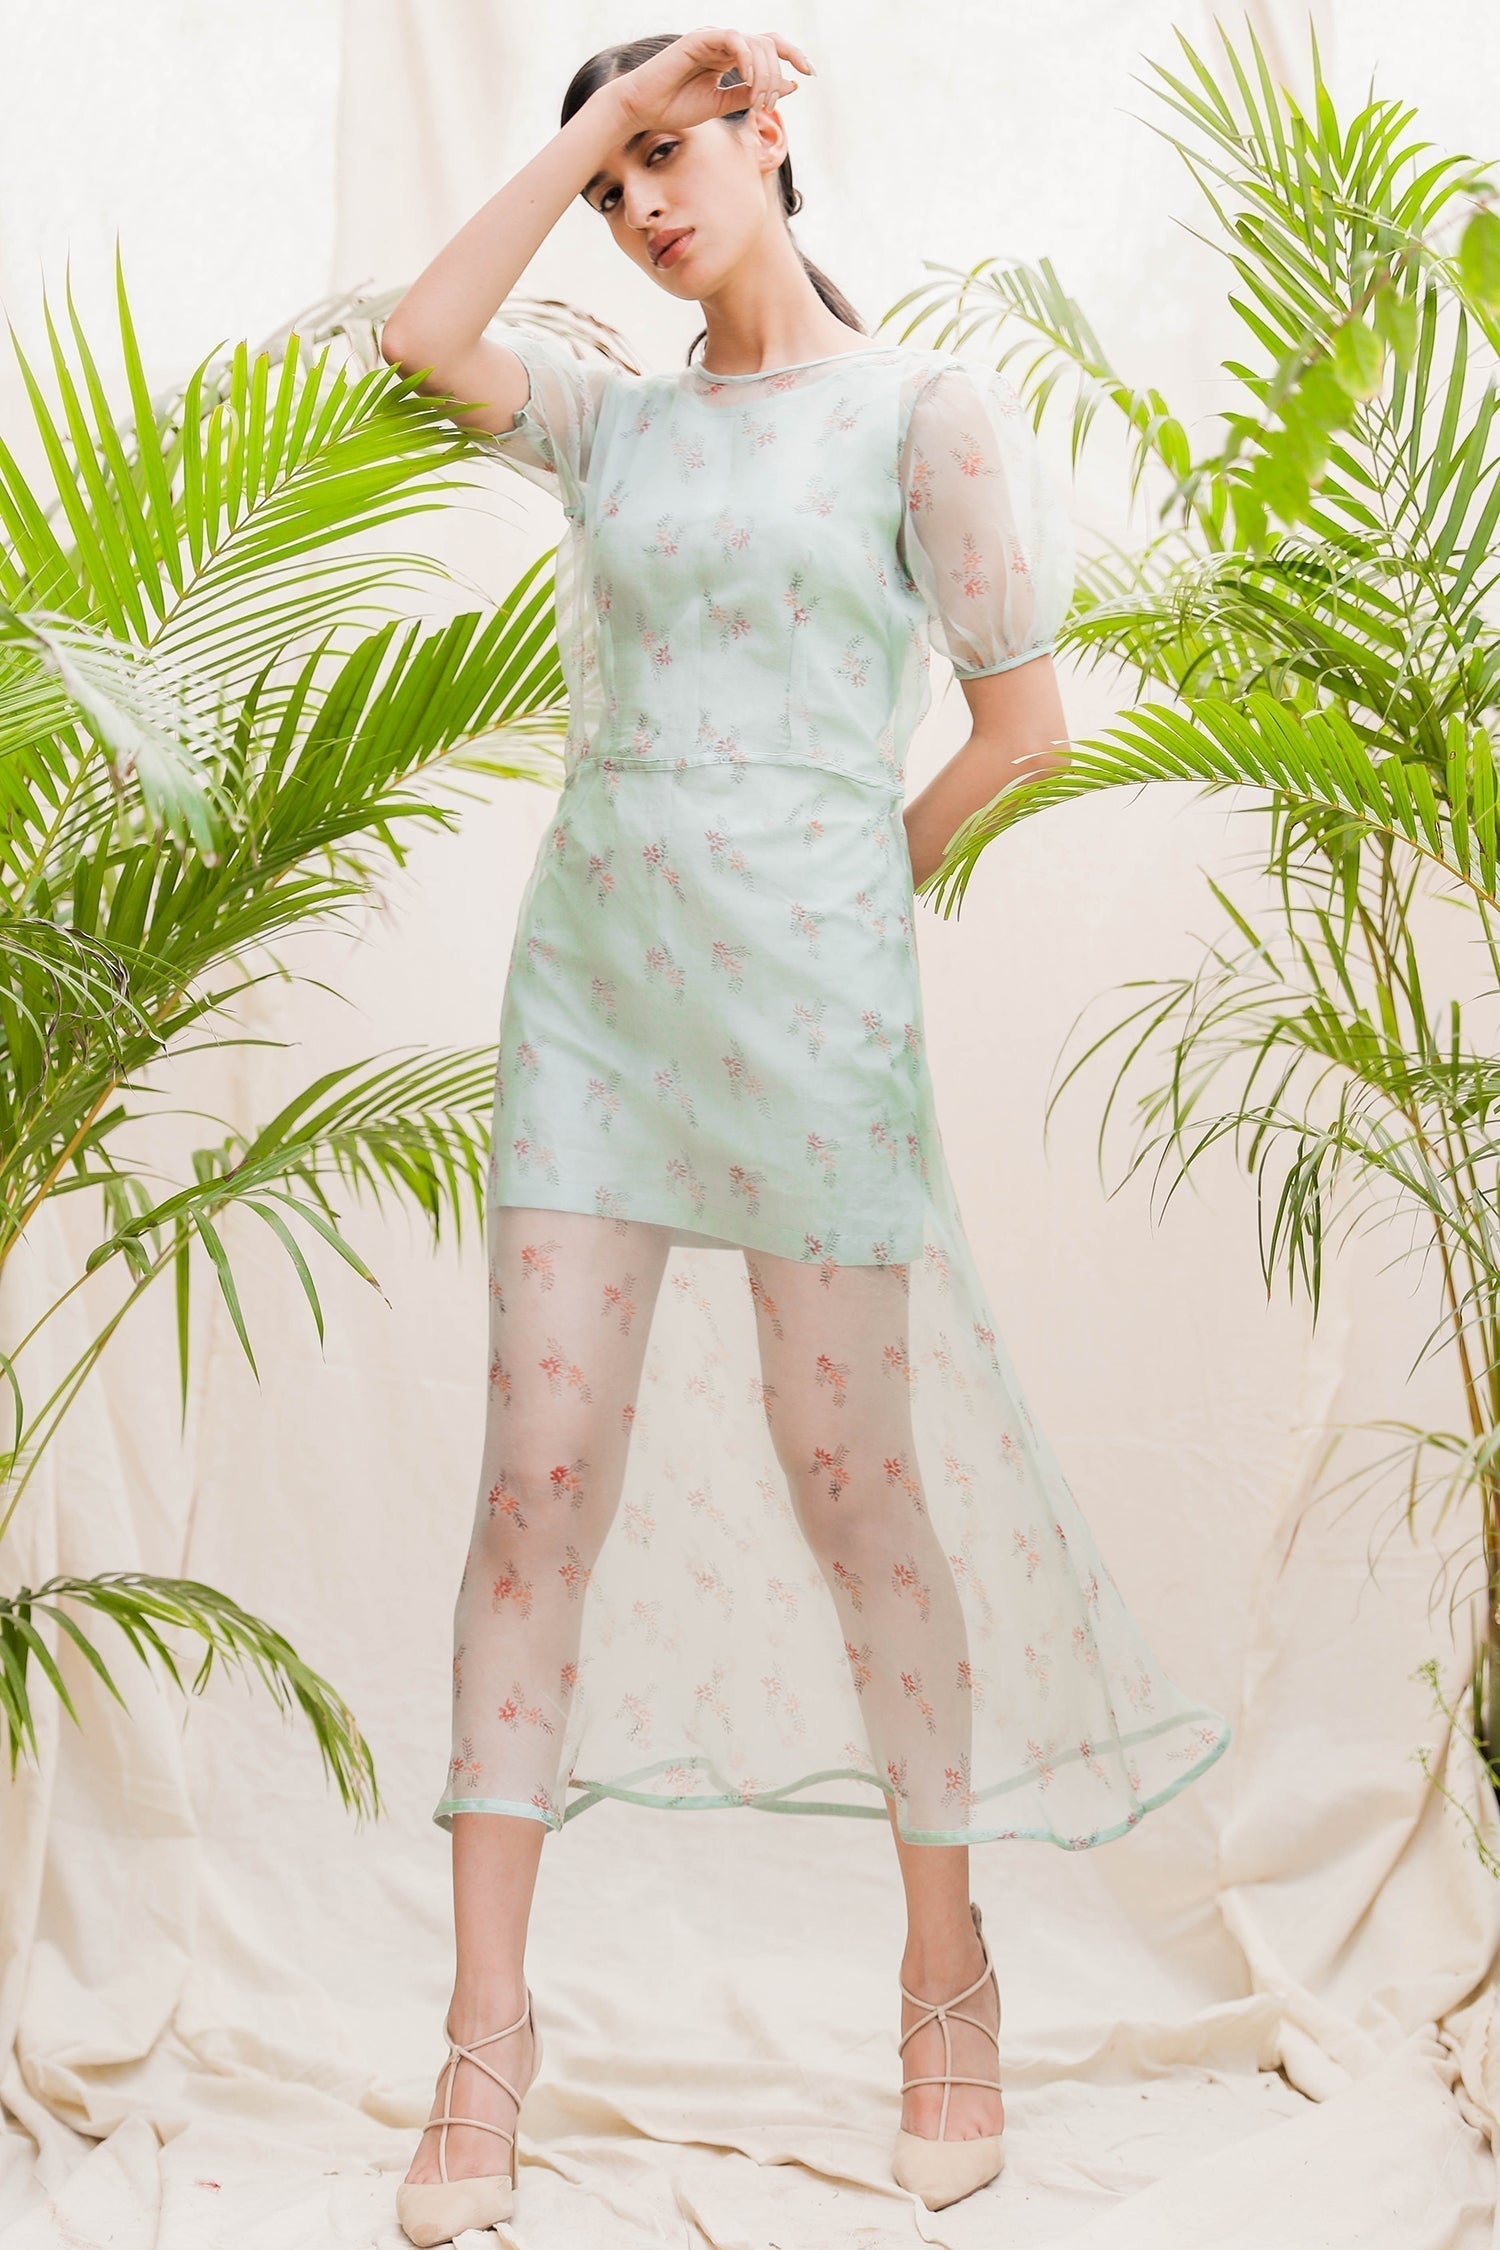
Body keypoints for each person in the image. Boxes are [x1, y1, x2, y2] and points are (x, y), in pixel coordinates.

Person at [379, 26, 1231, 2243]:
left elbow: (1024, 725)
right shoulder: (612, 422)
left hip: (815, 1017)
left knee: (857, 1487)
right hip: (595, 1004)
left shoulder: (920, 412)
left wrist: (861, 877)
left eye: (674, 151)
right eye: (614, 182)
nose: (643, 206)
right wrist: (588, 113)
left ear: (774, 130)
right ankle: (482, 2044)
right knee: (535, 1480)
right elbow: (420, 337)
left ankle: (948, 1984)